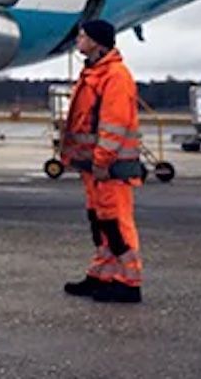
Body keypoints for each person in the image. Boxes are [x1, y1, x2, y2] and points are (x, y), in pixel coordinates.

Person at [61, 18, 146, 303]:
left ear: (96, 42)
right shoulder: (93, 73)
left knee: (116, 222)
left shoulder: (115, 76)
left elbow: (114, 124)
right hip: (94, 166)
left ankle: (129, 281)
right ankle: (103, 273)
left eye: (83, 36)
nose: (78, 41)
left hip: (110, 167)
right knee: (99, 220)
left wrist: (102, 159)